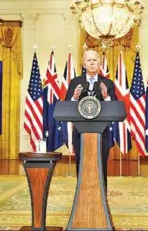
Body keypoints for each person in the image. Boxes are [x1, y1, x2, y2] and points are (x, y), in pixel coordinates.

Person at [65, 50, 117, 191]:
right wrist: (74, 98)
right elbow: (67, 106)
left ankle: (102, 197)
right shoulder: (75, 82)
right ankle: (81, 195)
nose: (92, 63)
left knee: (101, 165)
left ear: (99, 63)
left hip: (102, 133)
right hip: (80, 132)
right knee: (81, 164)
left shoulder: (107, 83)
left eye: (95, 60)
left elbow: (115, 106)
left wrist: (106, 97)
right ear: (84, 63)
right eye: (89, 60)